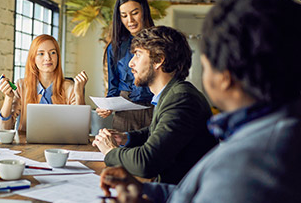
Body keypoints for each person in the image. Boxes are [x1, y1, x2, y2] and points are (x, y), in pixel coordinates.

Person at [100, 0, 301, 203]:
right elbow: (202, 195)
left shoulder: (251, 166)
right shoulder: (275, 131)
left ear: (225, 74)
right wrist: (146, 191)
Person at [93, 26, 217, 184]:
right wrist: (125, 137)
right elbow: (155, 131)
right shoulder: (171, 93)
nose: (131, 63)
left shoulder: (181, 99)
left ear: (159, 60)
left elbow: (146, 163)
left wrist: (110, 151)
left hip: (178, 198)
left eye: (138, 55)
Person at [0, 34, 88, 131]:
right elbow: (4, 129)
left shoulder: (70, 88)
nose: (48, 58)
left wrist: (79, 94)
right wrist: (9, 97)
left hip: (61, 145)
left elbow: (81, 129)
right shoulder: (21, 86)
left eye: (53, 52)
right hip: (26, 145)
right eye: (41, 53)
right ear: (33, 59)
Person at [96, 0, 155, 132]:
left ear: (144, 11)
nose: (130, 20)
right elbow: (113, 86)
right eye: (124, 15)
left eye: (135, 13)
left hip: (156, 108)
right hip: (125, 112)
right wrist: (108, 106)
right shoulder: (114, 47)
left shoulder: (159, 41)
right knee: (123, 150)